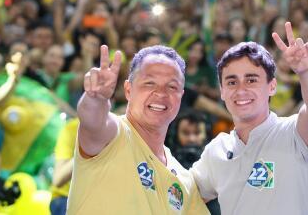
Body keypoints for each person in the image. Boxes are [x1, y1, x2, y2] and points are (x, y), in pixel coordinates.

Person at [191, 21, 308, 215]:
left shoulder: (293, 133)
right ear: (222, 91)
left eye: (251, 80)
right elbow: (181, 195)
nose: (241, 90)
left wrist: (305, 72)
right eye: (232, 82)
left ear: (272, 86)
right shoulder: (217, 150)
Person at [67, 45, 209, 214]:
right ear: (128, 90)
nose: (161, 93)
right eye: (150, 83)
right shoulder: (114, 135)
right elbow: (93, 122)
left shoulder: (184, 180)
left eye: (172, 87)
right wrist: (95, 99)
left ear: (181, 96)